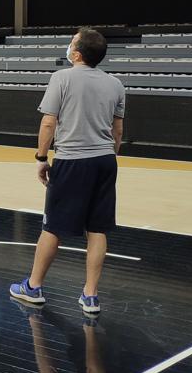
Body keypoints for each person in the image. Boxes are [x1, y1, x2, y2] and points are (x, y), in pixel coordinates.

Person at [10, 28, 124, 314]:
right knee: (97, 229)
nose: (68, 44)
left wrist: (40, 157)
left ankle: (33, 287)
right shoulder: (116, 84)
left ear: (76, 53)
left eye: (72, 42)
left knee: (53, 227)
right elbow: (118, 130)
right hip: (105, 161)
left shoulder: (61, 78)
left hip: (73, 161)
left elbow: (49, 123)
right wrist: (109, 155)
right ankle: (90, 296)